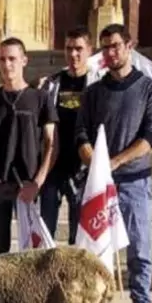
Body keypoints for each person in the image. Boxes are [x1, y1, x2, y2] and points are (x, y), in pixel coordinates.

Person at [74, 23, 152, 303]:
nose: (110, 53)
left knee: (139, 250)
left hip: (135, 184)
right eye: (105, 48)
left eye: (115, 46)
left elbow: (151, 134)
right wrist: (97, 164)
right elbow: (81, 133)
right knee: (93, 253)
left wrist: (116, 161)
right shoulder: (93, 92)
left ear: (129, 46)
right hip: (99, 184)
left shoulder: (149, 89)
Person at [0, 38, 58, 255]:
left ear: (24, 60)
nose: (6, 64)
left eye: (12, 58)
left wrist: (37, 183)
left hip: (29, 186)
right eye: (2, 59)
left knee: (32, 252)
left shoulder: (41, 98)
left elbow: (51, 143)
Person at [38, 26, 93, 244]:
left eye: (79, 49)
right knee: (45, 234)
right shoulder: (51, 84)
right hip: (53, 167)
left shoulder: (97, 83)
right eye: (69, 49)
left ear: (89, 50)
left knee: (79, 238)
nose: (73, 55)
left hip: (82, 169)